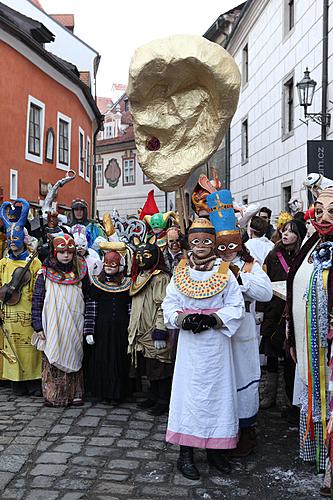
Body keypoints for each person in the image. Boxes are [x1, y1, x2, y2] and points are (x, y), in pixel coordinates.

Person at [162, 217, 244, 480]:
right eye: (195, 241)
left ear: (214, 243)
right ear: (189, 243)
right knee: (189, 396)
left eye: (206, 241)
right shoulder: (181, 271)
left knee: (218, 396)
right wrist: (183, 319)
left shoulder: (225, 272)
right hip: (190, 345)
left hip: (217, 344)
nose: (201, 246)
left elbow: (236, 305)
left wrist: (214, 319)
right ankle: (185, 453)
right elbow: (170, 302)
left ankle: (216, 451)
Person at [207, 190, 273, 457]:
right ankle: (221, 432)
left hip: (243, 333)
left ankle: (246, 431)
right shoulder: (208, 265)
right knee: (220, 383)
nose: (226, 250)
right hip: (217, 334)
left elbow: (266, 293)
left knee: (244, 381)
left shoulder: (249, 266)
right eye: (221, 245)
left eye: (231, 244)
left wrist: (239, 279)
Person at [286, 186, 333, 496]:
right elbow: (294, 285)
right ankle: (319, 454)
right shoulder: (311, 242)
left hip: (331, 345)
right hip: (308, 341)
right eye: (319, 210)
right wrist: (290, 332)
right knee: (315, 395)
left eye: (332, 211)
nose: (324, 216)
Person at [32, 234, 89, 407]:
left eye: (70, 252)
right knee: (54, 356)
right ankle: (54, 395)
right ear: (54, 252)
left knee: (75, 355)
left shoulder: (81, 272)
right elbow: (37, 300)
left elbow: (88, 296)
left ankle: (75, 393)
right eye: (62, 251)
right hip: (53, 323)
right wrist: (37, 325)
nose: (66, 255)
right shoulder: (44, 273)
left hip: (74, 322)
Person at [259, 219, 306, 410]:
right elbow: (263, 282)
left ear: (299, 236)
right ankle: (269, 394)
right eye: (284, 230)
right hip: (274, 312)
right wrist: (261, 310)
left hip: (294, 315)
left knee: (290, 358)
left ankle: (290, 399)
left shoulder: (305, 258)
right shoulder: (273, 255)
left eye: (291, 232)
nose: (285, 234)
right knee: (271, 354)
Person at [0, 198, 42, 396]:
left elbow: (39, 288)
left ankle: (33, 380)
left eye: (16, 239)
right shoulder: (2, 262)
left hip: (27, 309)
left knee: (30, 348)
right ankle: (16, 381)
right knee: (12, 345)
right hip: (9, 311)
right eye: (10, 239)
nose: (12, 243)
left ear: (23, 239)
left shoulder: (34, 263)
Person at [128, 235, 172, 416]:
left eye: (146, 255)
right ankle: (153, 396)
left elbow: (163, 305)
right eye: (138, 255)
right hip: (141, 330)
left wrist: (160, 329)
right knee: (149, 365)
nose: (141, 258)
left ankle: (163, 399)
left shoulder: (159, 278)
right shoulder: (139, 276)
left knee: (160, 365)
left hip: (154, 329)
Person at [84, 247, 131, 403]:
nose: (110, 267)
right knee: (103, 360)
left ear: (120, 266)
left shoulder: (127, 284)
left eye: (113, 264)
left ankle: (119, 393)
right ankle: (104, 392)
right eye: (107, 264)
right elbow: (91, 308)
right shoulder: (97, 284)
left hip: (121, 330)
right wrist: (89, 331)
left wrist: (132, 329)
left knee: (119, 360)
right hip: (102, 329)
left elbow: (130, 308)